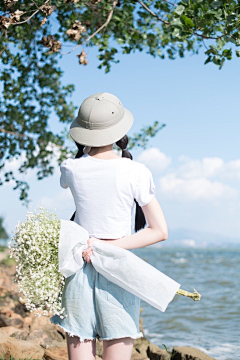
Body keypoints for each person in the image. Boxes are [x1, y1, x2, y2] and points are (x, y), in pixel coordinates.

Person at [50, 92, 168, 360]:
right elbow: (159, 231)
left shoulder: (69, 167)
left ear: (81, 132)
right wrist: (106, 245)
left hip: (77, 264)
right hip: (118, 267)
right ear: (120, 130)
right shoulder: (136, 171)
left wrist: (93, 242)